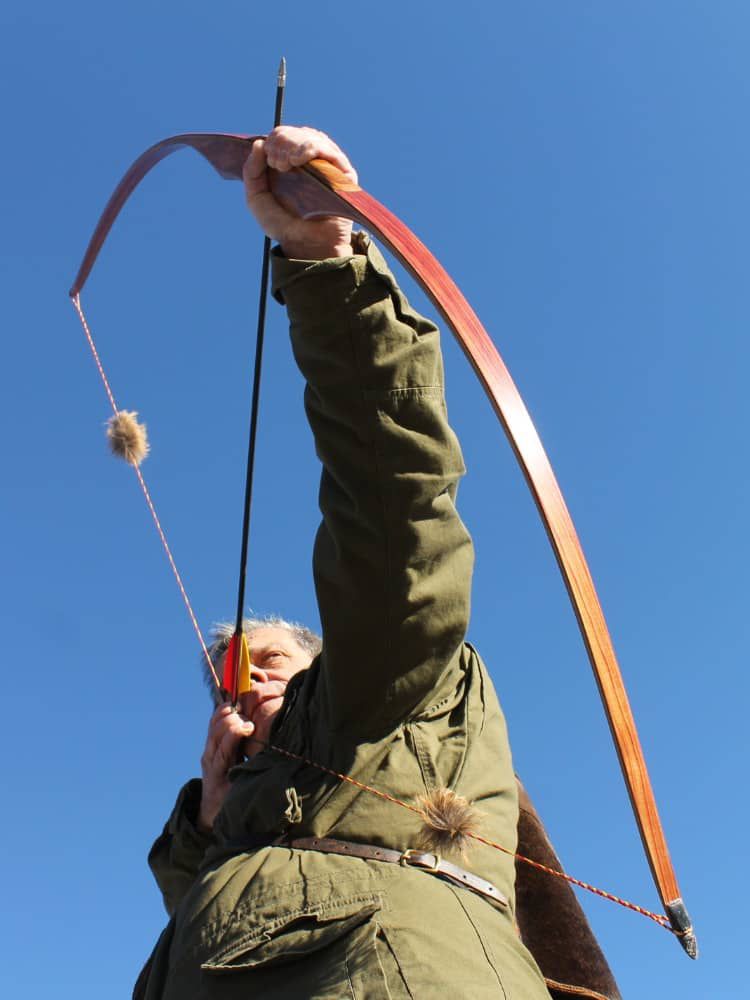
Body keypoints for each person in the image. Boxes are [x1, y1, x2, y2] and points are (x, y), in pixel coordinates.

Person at [136, 128, 614, 1000]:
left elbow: (391, 502)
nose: (237, 689)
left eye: (263, 663)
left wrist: (323, 259)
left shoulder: (382, 690)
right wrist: (208, 822)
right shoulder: (234, 816)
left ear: (324, 659)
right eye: (225, 681)